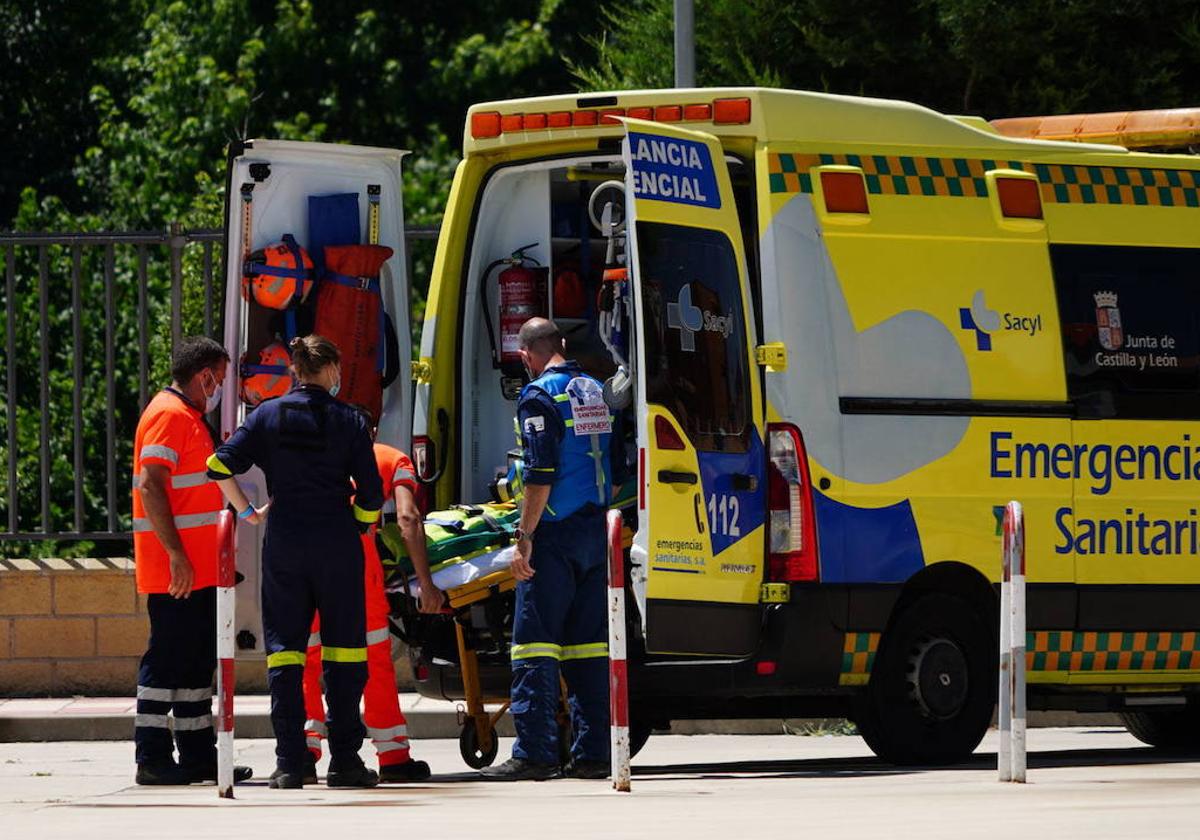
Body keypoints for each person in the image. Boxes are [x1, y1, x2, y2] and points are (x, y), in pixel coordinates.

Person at [206, 334, 383, 789]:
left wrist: (247, 512)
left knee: (285, 653)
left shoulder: (267, 414)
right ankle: (345, 760)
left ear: (296, 372)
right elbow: (370, 495)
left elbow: (219, 465)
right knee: (345, 652)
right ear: (329, 371)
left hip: (285, 541)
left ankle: (290, 763)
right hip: (336, 543)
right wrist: (360, 527)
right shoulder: (349, 420)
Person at [481, 317, 615, 781]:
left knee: (534, 645)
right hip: (595, 530)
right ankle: (595, 753)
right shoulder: (593, 389)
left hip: (554, 532)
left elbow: (540, 472)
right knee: (588, 648)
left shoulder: (539, 395)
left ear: (526, 355)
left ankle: (535, 753)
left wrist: (524, 537)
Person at [131, 336, 253, 786]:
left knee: (196, 666)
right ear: (203, 376)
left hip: (199, 572)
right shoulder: (168, 415)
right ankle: (153, 757)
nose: (220, 387)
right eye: (218, 379)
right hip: (177, 572)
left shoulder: (186, 417)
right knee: (167, 662)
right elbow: (151, 486)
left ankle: (200, 756)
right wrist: (178, 556)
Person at [301, 425, 444, 783]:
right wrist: (426, 584)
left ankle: (302, 752)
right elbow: (408, 518)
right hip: (357, 573)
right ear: (374, 427)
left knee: (308, 658)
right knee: (374, 661)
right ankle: (393, 755)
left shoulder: (311, 453)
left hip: (307, 567)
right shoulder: (390, 458)